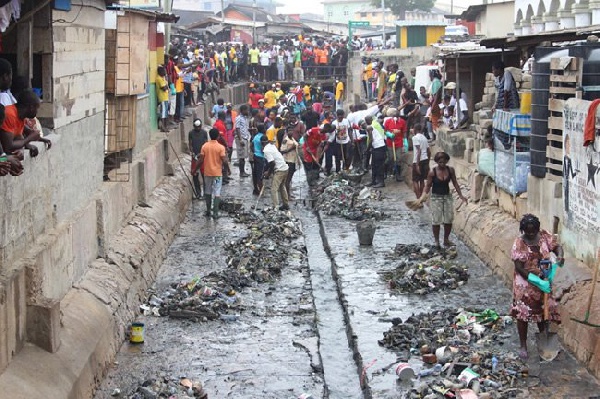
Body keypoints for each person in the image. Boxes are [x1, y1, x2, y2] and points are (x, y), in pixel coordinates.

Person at [510, 214, 564, 361]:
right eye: (528, 231)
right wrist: (535, 279)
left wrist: (559, 257)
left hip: (544, 280)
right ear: (523, 230)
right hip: (526, 284)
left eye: (534, 231)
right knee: (523, 315)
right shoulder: (519, 244)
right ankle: (523, 345)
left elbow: (557, 247)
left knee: (543, 311)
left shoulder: (544, 237)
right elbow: (519, 268)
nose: (531, 234)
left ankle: (544, 341)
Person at [421, 152, 467, 248]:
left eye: (444, 162)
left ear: (447, 161)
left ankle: (446, 240)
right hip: (435, 197)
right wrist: (423, 196)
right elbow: (428, 185)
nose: (442, 164)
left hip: (447, 197)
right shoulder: (432, 172)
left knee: (448, 219)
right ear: (437, 162)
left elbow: (455, 183)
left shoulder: (450, 170)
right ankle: (437, 241)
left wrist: (461, 196)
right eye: (440, 162)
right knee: (436, 220)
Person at [196, 128, 230, 218]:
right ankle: (215, 213)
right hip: (217, 174)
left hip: (207, 173)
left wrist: (195, 169)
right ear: (218, 136)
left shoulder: (205, 146)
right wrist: (228, 169)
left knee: (207, 190)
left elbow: (200, 160)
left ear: (209, 136)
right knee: (217, 191)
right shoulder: (220, 147)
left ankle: (208, 211)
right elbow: (224, 160)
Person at [261, 135, 290, 211]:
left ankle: (276, 207)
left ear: (262, 143)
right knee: (282, 186)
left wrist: (268, 173)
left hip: (280, 169)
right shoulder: (271, 145)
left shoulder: (266, 150)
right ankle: (285, 204)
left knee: (274, 189)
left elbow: (272, 163)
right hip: (285, 168)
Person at [188, 119, 208, 198]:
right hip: (195, 157)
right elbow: (190, 144)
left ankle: (206, 193)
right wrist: (192, 152)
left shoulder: (204, 133)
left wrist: (202, 153)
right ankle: (198, 193)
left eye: (199, 127)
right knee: (195, 174)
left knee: (204, 175)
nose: (198, 129)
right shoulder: (191, 133)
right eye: (196, 127)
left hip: (202, 157)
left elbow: (206, 144)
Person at [365, 115, 386, 188]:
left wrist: (367, 149)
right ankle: (373, 181)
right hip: (377, 147)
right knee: (374, 165)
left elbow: (370, 139)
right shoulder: (373, 125)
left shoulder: (369, 127)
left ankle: (381, 182)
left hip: (379, 147)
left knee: (379, 165)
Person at [411, 123, 430, 199]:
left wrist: (417, 164)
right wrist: (427, 162)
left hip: (417, 161)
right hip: (425, 160)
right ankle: (421, 198)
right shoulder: (424, 138)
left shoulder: (415, 138)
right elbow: (429, 151)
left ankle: (418, 198)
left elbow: (419, 151)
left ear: (415, 129)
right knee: (422, 180)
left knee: (415, 180)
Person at [280, 127, 299, 198]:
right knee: (287, 179)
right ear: (287, 132)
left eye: (292, 130)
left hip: (293, 160)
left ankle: (288, 194)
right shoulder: (285, 140)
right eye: (289, 131)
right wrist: (291, 149)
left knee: (290, 179)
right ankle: (287, 195)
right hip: (288, 161)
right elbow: (282, 150)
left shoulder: (293, 139)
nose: (291, 132)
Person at [235, 104, 251, 178]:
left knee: (244, 156)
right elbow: (237, 128)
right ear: (243, 111)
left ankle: (243, 171)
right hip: (241, 139)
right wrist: (240, 139)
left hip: (245, 138)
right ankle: (241, 172)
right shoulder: (239, 118)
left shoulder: (245, 118)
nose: (247, 111)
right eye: (246, 110)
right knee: (241, 156)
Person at [251, 123, 266, 195]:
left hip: (255, 156)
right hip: (261, 157)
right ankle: (261, 192)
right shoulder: (263, 137)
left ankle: (256, 189)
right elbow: (264, 148)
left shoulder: (255, 136)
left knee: (255, 173)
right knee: (260, 175)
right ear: (263, 129)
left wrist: (255, 151)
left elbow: (251, 145)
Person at [156, 66, 170, 132]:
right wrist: (166, 86)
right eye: (164, 71)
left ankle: (165, 126)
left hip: (165, 97)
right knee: (163, 113)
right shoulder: (159, 79)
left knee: (165, 112)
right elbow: (164, 88)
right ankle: (163, 127)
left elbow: (166, 86)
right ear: (160, 72)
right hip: (162, 98)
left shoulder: (163, 78)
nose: (165, 72)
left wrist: (166, 86)